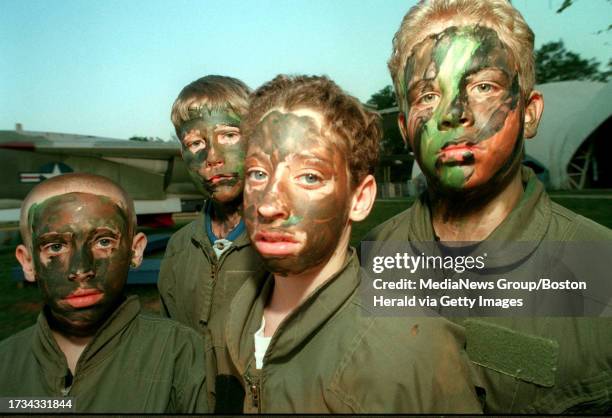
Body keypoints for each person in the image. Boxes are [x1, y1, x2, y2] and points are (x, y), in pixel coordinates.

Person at [363, 0, 612, 413]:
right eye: (428, 94)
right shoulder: (371, 259)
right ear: (406, 128)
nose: (455, 113)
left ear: (529, 113)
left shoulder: (601, 269)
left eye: (483, 87)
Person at [224, 74, 482, 413]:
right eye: (258, 173)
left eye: (309, 177)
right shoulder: (236, 316)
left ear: (359, 199)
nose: (269, 205)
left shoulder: (414, 352)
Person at [0, 173, 208, 413]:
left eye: (103, 242)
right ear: (28, 262)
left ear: (135, 251)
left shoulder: (179, 353)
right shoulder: (5, 363)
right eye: (55, 247)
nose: (81, 270)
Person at [159, 75, 264, 411]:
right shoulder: (178, 248)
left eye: (229, 135)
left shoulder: (284, 246)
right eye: (195, 144)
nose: (212, 156)